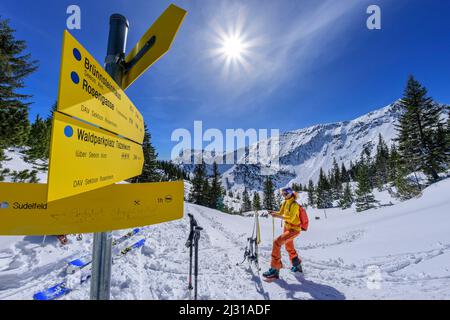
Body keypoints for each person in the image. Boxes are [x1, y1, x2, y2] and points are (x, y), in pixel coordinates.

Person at [263, 187, 303, 280]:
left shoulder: (294, 205)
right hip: (287, 227)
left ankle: (274, 269)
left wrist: (277, 216)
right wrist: (274, 212)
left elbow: (291, 218)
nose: (283, 195)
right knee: (289, 246)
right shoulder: (285, 202)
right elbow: (281, 212)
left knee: (276, 243)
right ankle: (297, 266)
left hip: (294, 229)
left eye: (285, 193)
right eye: (282, 193)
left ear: (290, 193)